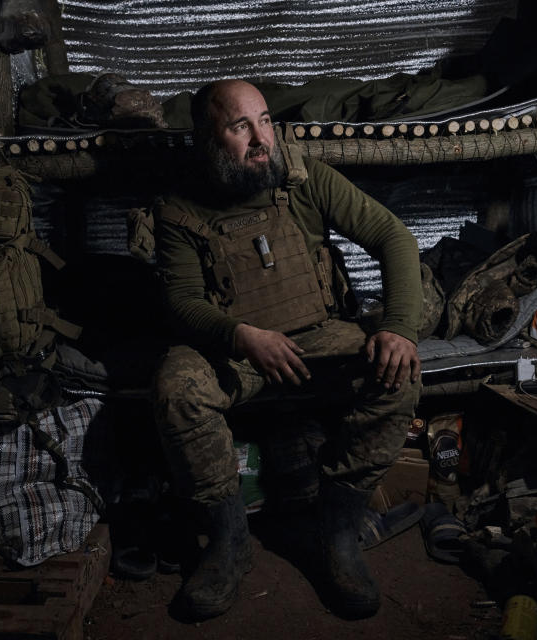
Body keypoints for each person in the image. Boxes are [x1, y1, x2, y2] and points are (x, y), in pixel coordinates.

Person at [151, 79, 427, 621]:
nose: (261, 139)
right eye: (240, 127)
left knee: (399, 373)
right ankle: (229, 542)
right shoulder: (178, 209)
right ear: (208, 138)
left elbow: (395, 237)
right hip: (230, 351)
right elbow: (180, 300)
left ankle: (338, 535)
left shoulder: (304, 178)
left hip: (318, 337)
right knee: (175, 390)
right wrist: (241, 335)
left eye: (265, 121)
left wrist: (399, 328)